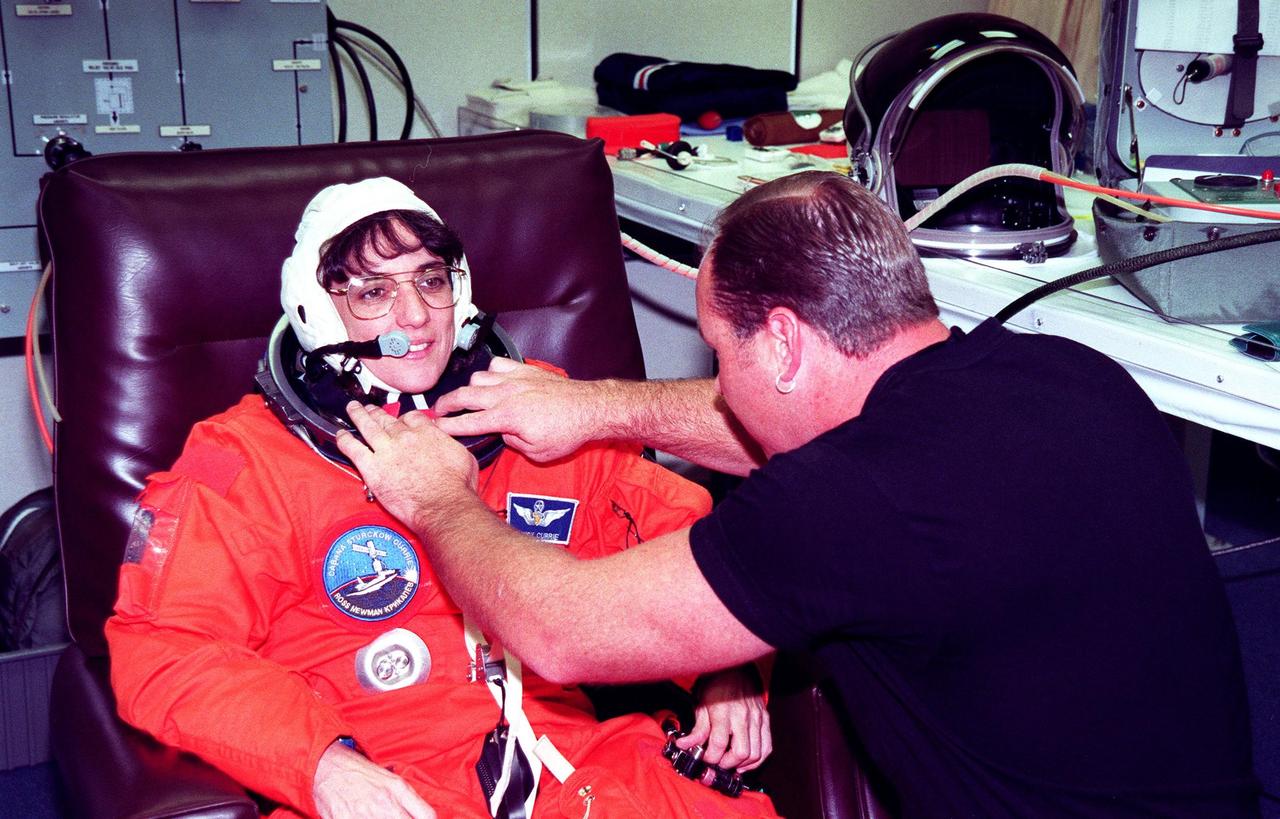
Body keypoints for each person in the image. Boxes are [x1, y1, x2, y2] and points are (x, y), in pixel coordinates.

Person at [339, 171, 1260, 818]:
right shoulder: (1065, 375)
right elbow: (787, 421)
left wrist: (440, 500)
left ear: (781, 343)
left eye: (720, 350)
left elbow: (560, 629)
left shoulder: (850, 501)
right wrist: (599, 407)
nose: (719, 380)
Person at [104, 177, 779, 819]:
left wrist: (725, 668)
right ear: (314, 305)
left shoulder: (534, 411)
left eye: (431, 279)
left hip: (575, 768)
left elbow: (677, 536)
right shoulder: (246, 462)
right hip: (384, 776)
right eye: (373, 291)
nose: (416, 314)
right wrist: (322, 766)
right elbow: (167, 648)